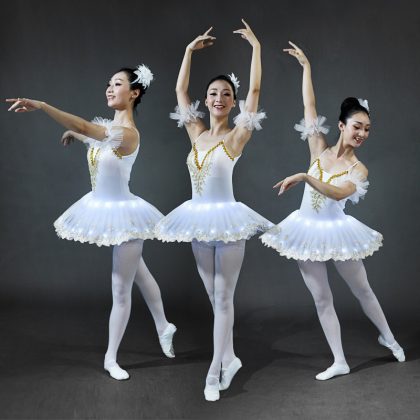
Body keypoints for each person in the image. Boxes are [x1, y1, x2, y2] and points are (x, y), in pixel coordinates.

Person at [6, 64, 176, 381]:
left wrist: (42, 106)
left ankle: (111, 358)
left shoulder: (128, 134)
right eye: (109, 83)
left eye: (118, 84)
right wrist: (78, 135)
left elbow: (89, 128)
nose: (110, 88)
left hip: (125, 216)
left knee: (121, 288)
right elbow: (94, 137)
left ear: (134, 93)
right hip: (104, 208)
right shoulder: (108, 130)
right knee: (140, 273)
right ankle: (165, 326)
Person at [260, 42, 405, 380]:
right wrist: (306, 66)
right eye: (357, 126)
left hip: (338, 233)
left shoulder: (359, 170)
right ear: (341, 125)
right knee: (322, 299)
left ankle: (389, 337)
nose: (362, 133)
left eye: (367, 129)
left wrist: (304, 176)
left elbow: (338, 192)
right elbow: (309, 105)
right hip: (305, 231)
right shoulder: (318, 148)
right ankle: (340, 361)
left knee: (362, 289)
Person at [154, 20, 272, 401]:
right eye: (213, 93)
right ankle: (231, 357)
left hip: (229, 222)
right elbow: (179, 90)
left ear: (233, 103)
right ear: (206, 101)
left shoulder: (237, 136)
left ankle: (214, 371)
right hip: (198, 222)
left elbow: (255, 90)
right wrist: (188, 51)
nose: (219, 98)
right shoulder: (197, 133)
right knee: (216, 298)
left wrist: (256, 48)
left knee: (223, 298)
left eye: (226, 94)